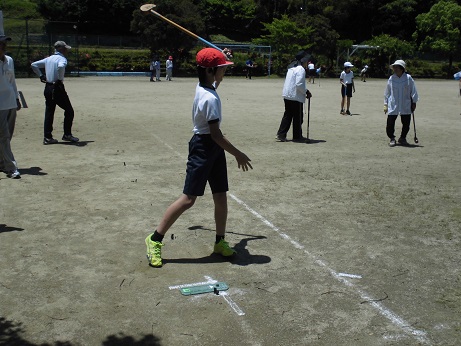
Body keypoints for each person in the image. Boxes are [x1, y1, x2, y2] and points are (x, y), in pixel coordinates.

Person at [145, 48, 253, 268]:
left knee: (220, 195)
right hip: (203, 147)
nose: (225, 72)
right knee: (188, 199)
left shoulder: (204, 86)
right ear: (211, 71)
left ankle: (219, 241)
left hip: (213, 149)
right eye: (222, 68)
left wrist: (219, 56)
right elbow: (216, 135)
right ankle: (154, 239)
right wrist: (238, 154)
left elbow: (214, 81)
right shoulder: (209, 98)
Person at [31, 41, 79, 145]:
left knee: (49, 111)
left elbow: (34, 65)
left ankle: (47, 137)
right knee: (69, 111)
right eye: (66, 49)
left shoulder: (49, 59)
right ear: (62, 49)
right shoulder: (62, 59)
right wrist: (59, 79)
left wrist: (40, 75)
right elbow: (61, 67)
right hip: (57, 87)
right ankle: (67, 134)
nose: (67, 51)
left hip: (48, 86)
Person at [276, 51, 312, 142]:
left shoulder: (291, 68)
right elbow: (299, 84)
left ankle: (281, 134)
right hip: (295, 96)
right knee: (298, 117)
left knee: (288, 115)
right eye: (306, 61)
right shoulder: (300, 69)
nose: (307, 63)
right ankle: (297, 136)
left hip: (287, 95)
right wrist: (306, 92)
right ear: (303, 61)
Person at [384, 60, 419, 147]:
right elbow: (387, 92)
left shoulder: (408, 78)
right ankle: (392, 138)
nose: (395, 69)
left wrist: (414, 102)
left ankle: (402, 138)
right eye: (394, 67)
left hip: (405, 104)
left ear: (402, 68)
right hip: (393, 104)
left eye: (397, 67)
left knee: (406, 123)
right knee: (390, 123)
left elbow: (413, 91)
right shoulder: (391, 78)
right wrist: (385, 104)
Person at [0, 34, 21, 178]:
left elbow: (12, 81)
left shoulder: (9, 60)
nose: (4, 47)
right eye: (2, 44)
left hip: (10, 103)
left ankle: (2, 162)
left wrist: (17, 98)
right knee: (4, 136)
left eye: (4, 44)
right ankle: (11, 167)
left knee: (8, 135)